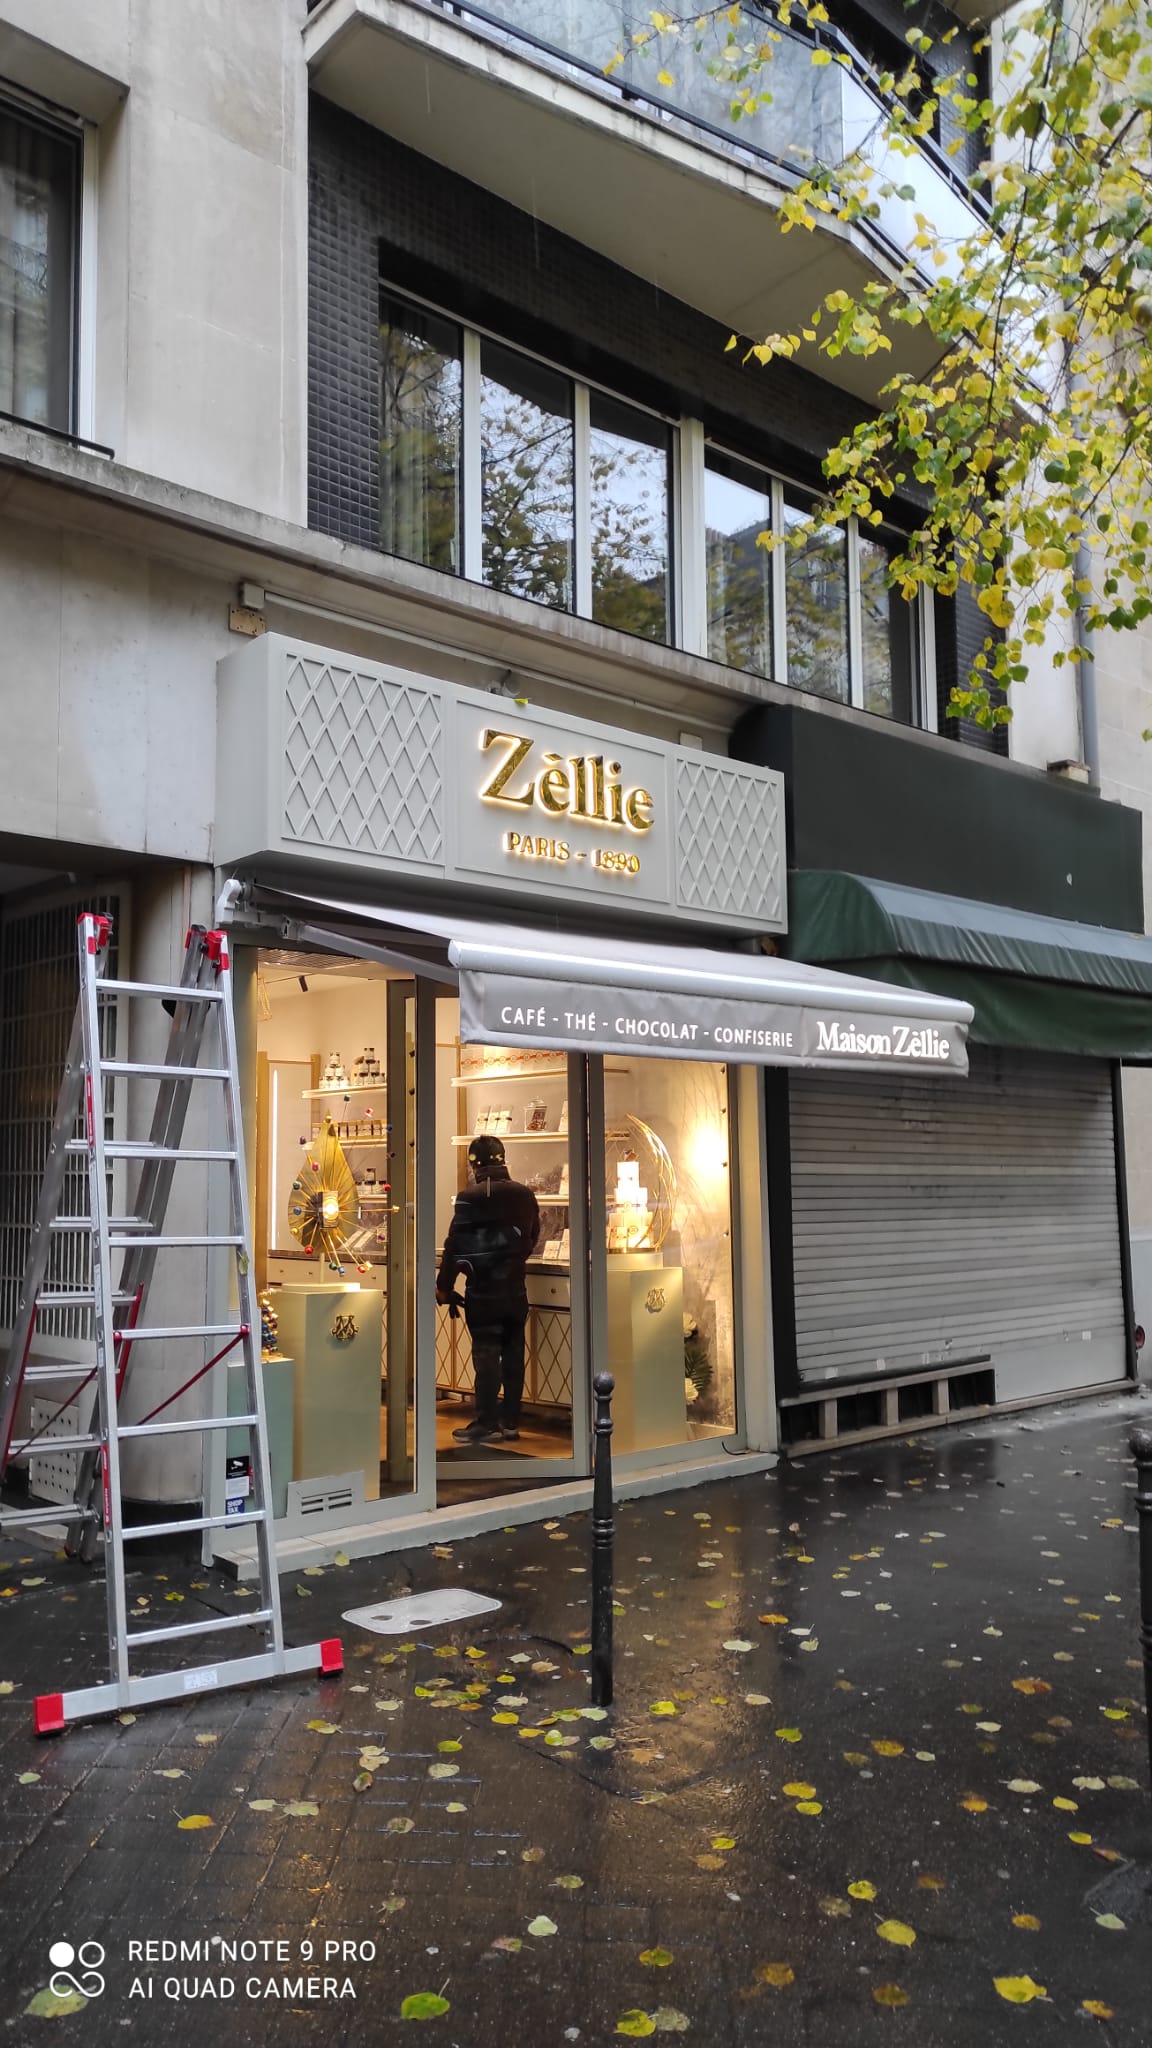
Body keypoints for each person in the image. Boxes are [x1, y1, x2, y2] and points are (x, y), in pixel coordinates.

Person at [436, 1134, 541, 1445]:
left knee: (486, 1357)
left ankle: (487, 1422)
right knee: (513, 1355)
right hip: (515, 1289)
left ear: (474, 1164)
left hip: (482, 1292)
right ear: (503, 1158)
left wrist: (444, 1287)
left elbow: (454, 1247)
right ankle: (510, 1422)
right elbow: (533, 1235)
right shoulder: (524, 1194)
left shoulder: (468, 1198)